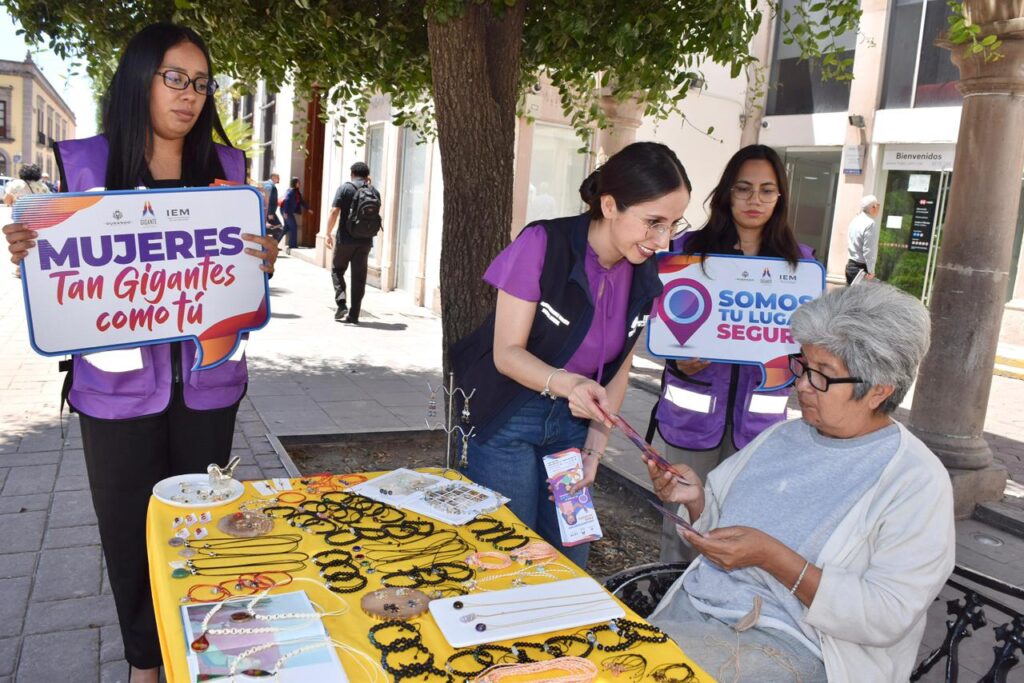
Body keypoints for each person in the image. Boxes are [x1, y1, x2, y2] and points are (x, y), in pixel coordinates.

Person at [2, 23, 278, 683]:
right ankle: (145, 664)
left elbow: (241, 271)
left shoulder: (228, 168)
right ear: (139, 81)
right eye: (174, 78)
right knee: (130, 533)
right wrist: (26, 252)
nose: (189, 95)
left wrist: (263, 258)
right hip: (116, 390)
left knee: (201, 530)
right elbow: (60, 269)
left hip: (210, 383)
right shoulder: (84, 164)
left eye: (201, 83)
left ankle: (201, 652)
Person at [645, 281, 955, 682]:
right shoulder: (783, 436)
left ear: (879, 390)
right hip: (699, 609)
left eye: (822, 375)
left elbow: (885, 615)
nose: (802, 384)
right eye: (803, 365)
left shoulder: (914, 480)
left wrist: (775, 559)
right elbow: (729, 526)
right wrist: (697, 503)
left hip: (795, 647)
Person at [451, 141, 692, 567]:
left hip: (573, 428)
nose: (663, 239)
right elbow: (506, 353)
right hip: (506, 418)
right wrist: (572, 384)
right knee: (508, 558)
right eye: (653, 222)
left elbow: (620, 370)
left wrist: (595, 448)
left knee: (568, 559)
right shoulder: (545, 243)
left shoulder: (646, 272)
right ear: (610, 204)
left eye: (673, 224)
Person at [647, 144, 815, 563]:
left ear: (780, 197)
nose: (754, 200)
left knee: (739, 528)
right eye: (743, 189)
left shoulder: (800, 266)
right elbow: (662, 325)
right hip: (691, 423)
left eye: (766, 190)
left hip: (757, 428)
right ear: (726, 193)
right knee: (683, 528)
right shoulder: (686, 252)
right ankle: (671, 612)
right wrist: (677, 359)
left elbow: (806, 346)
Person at [325, 161, 377, 323]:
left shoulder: (345, 188)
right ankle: (354, 315)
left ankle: (341, 303)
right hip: (365, 241)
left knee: (337, 270)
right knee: (359, 277)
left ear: (352, 173)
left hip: (345, 239)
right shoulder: (373, 191)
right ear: (367, 175)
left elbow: (334, 212)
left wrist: (327, 233)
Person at [846, 194, 880, 284]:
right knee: (862, 298)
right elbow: (869, 250)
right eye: (878, 205)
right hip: (861, 270)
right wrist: (871, 271)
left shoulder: (855, 220)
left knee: (850, 297)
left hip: (850, 266)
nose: (879, 208)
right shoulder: (870, 224)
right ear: (873, 207)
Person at [280, 175, 307, 254]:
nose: (299, 184)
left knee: (287, 228)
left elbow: (301, 201)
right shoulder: (291, 191)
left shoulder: (297, 192)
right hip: (286, 211)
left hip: (288, 211)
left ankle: (275, 241)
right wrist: (285, 212)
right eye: (298, 182)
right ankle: (292, 245)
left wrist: (308, 208)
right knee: (293, 226)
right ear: (294, 183)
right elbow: (287, 201)